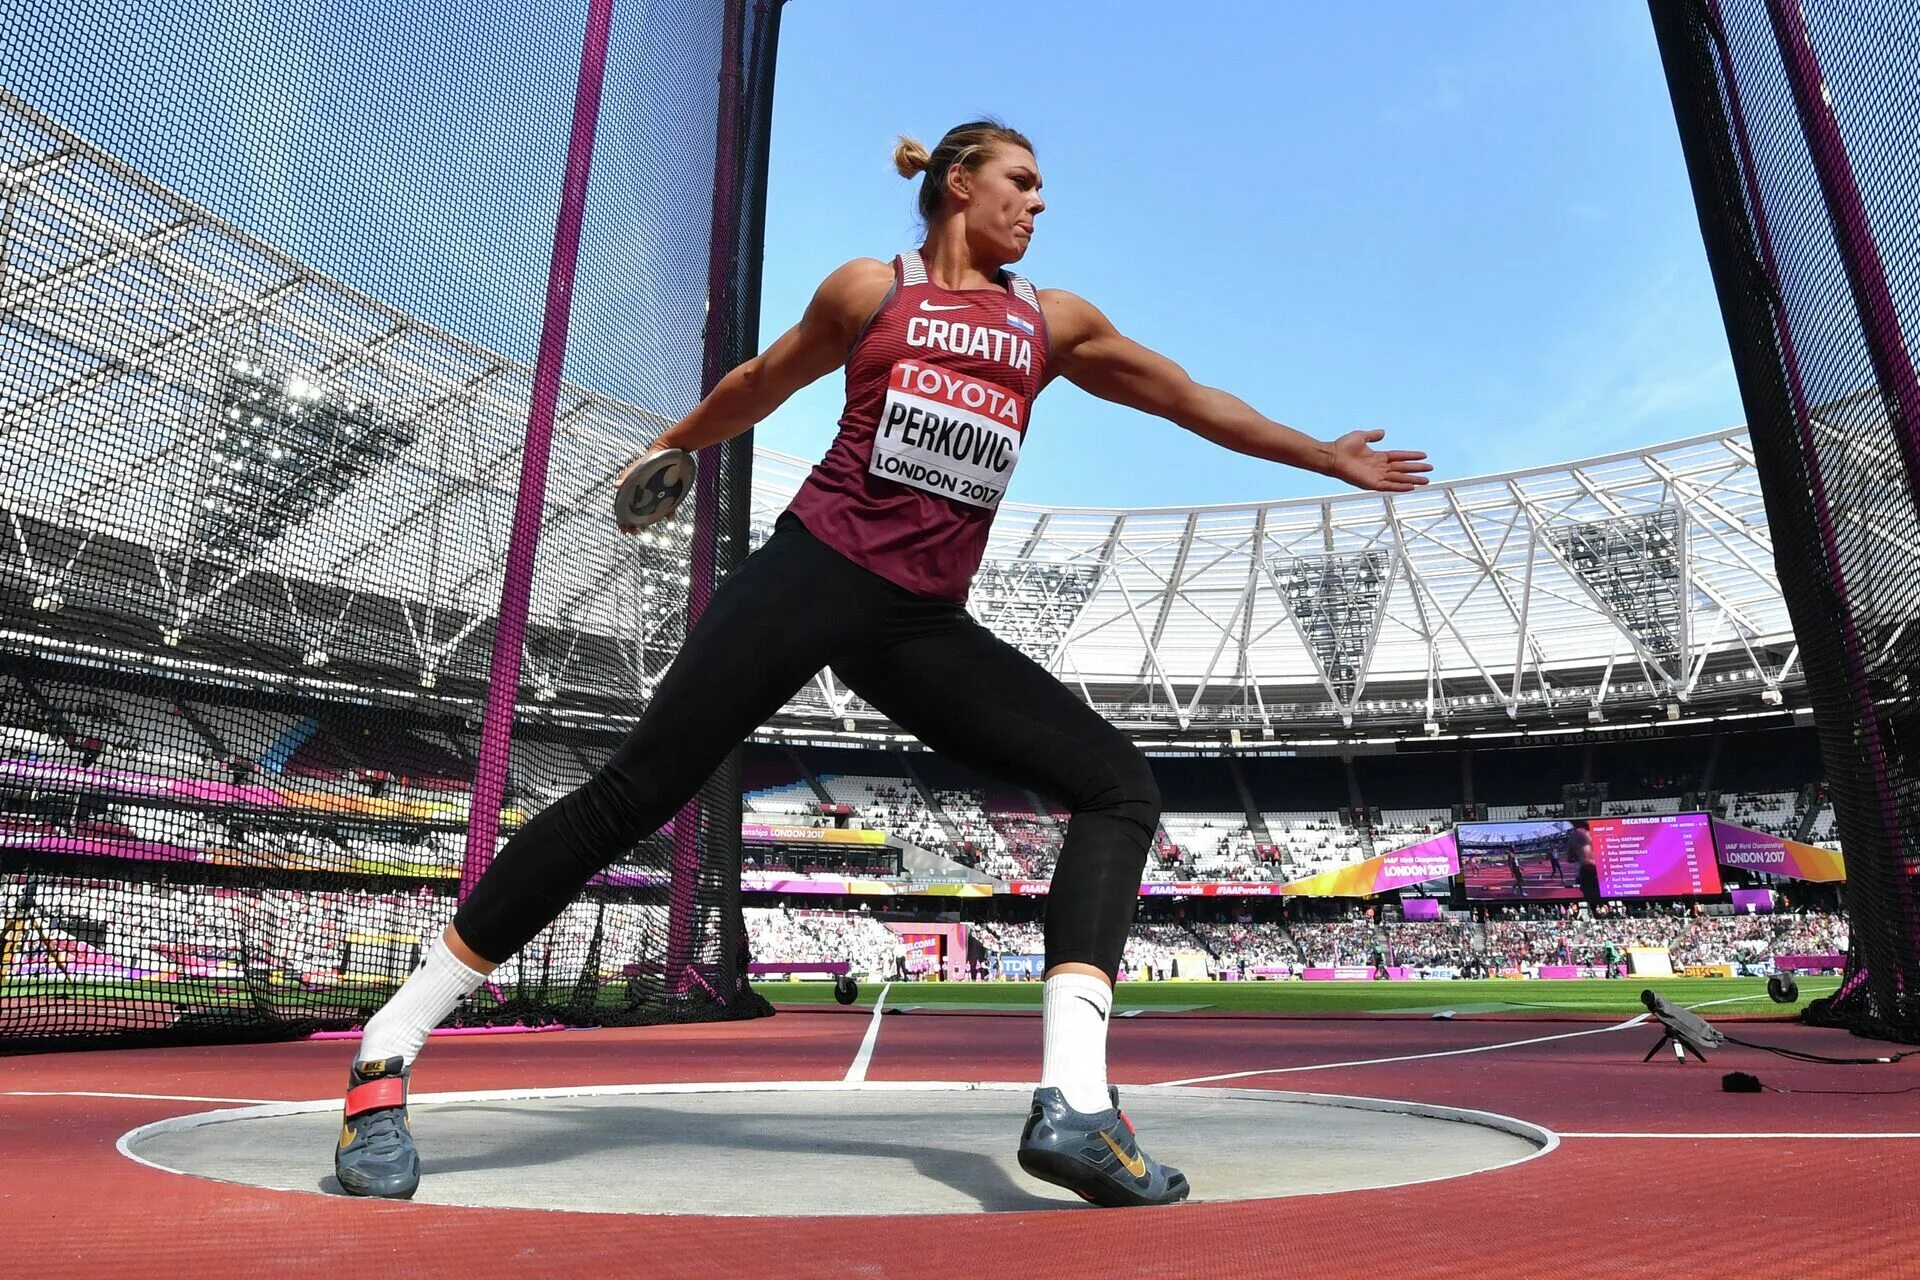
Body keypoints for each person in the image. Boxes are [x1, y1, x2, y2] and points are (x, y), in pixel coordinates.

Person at [330, 120, 1429, 1207]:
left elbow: (1187, 396)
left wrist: (1321, 454)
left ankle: (1077, 1106)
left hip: (921, 624)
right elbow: (764, 379)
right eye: (1022, 181)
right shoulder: (873, 290)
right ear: (959, 184)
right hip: (813, 574)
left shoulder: (1055, 322)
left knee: (1118, 783)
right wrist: (675, 443)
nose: (1039, 204)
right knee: (634, 792)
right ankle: (384, 1054)